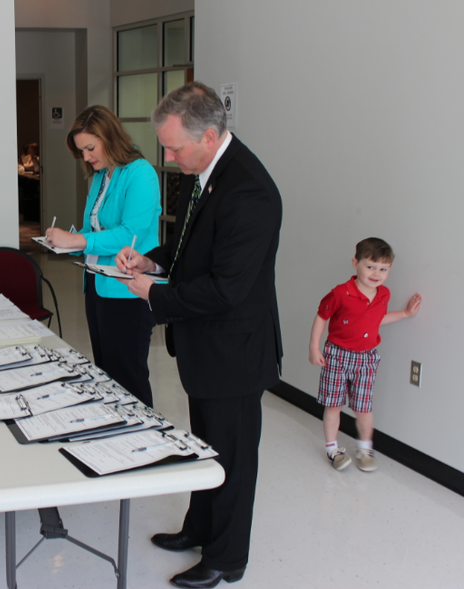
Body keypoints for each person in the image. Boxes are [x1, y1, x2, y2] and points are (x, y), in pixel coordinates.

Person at [115, 82, 282, 588]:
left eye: (174, 148)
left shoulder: (249, 191)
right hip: (206, 347)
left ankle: (227, 559)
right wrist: (153, 260)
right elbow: (190, 243)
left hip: (234, 350)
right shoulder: (201, 169)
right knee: (206, 449)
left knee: (231, 459)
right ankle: (199, 528)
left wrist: (152, 294)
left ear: (209, 135)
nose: (168, 157)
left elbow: (226, 288)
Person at [45, 105, 160, 407]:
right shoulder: (101, 174)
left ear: (109, 136)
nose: (86, 157)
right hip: (97, 286)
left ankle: (142, 442)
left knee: (128, 378)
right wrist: (66, 241)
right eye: (82, 151)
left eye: (90, 148)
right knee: (107, 375)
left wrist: (79, 239)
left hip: (128, 290)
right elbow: (91, 227)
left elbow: (128, 233)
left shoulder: (140, 174)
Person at [309, 237, 422, 472]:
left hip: (366, 358)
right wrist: (314, 347)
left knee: (364, 407)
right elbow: (322, 316)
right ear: (355, 263)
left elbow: (378, 320)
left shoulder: (383, 294)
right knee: (334, 405)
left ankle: (364, 448)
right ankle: (332, 449)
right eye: (370, 266)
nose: (376, 273)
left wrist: (405, 313)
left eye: (383, 269)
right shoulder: (341, 293)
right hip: (338, 356)